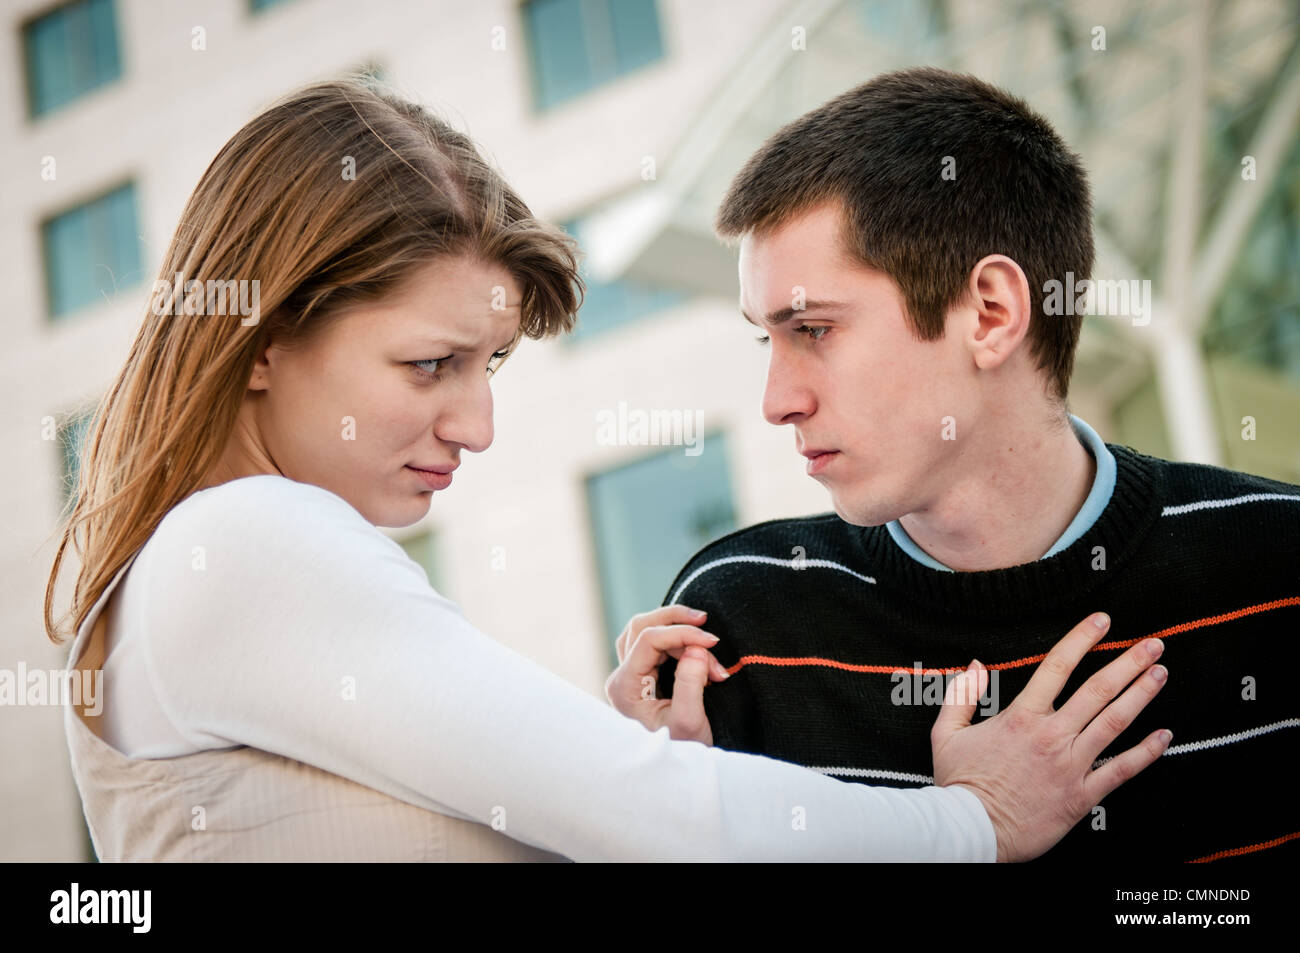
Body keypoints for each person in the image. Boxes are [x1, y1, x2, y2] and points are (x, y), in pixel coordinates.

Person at [45, 78, 1170, 863]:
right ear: (266, 339)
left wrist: (597, 738)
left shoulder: (185, 566)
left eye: (485, 366)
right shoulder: (246, 541)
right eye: (429, 363)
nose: (475, 423)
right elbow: (645, 815)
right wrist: (976, 819)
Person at [610, 67, 1300, 864]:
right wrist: (666, 826)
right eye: (768, 338)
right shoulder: (735, 627)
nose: (777, 400)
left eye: (814, 329)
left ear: (991, 314)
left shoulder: (1277, 566)